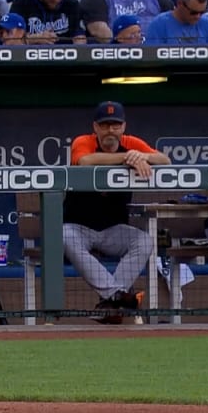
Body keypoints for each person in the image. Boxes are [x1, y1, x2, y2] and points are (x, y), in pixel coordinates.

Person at [63, 101, 169, 324]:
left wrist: (144, 157)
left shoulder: (132, 143)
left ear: (123, 127)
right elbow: (84, 161)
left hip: (112, 230)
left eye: (115, 125)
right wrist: (126, 158)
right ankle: (118, 297)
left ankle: (111, 303)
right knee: (63, 235)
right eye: (105, 125)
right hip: (78, 227)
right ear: (95, 127)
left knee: (144, 241)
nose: (110, 130)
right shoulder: (84, 142)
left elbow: (165, 160)